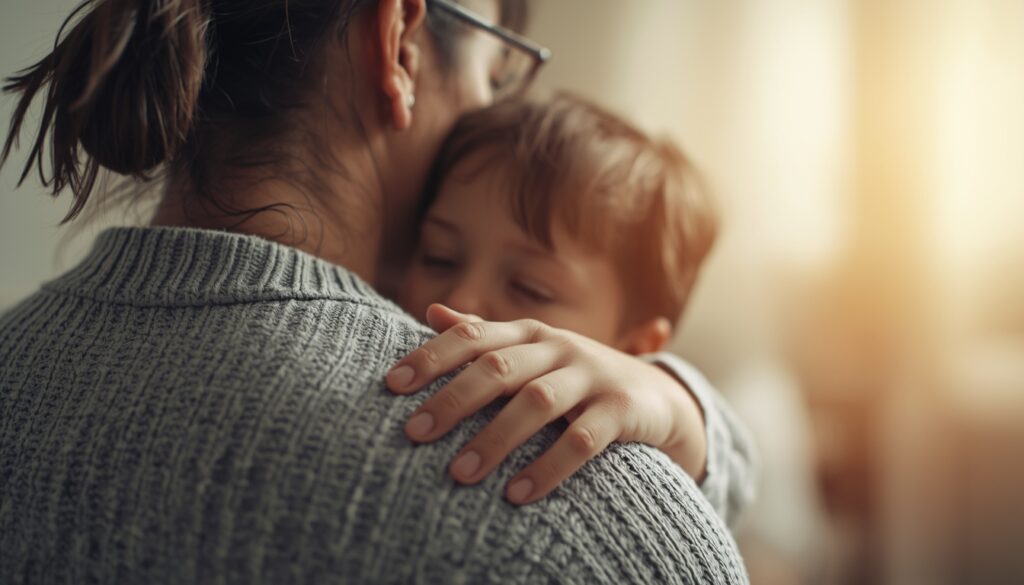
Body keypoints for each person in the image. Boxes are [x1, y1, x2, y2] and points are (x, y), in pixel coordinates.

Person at [0, 0, 752, 583]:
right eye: (494, 75)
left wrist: (677, 405)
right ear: (397, 43)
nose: (468, 301)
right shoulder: (582, 514)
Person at [390, 94, 755, 521]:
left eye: (530, 288)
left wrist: (673, 404)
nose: (460, 300)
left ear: (634, 348)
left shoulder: (629, 414)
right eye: (439, 256)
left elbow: (734, 483)